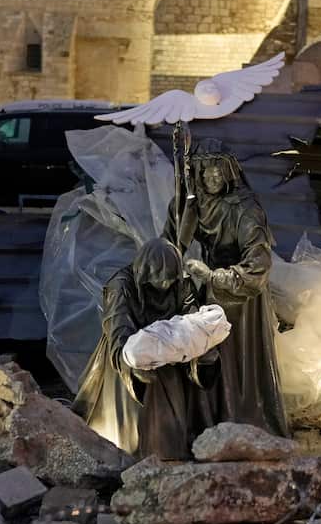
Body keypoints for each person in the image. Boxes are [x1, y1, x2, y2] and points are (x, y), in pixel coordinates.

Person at [175, 141, 289, 438]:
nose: (210, 181)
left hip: (241, 297)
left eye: (216, 174)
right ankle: (209, 423)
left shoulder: (245, 209)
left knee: (236, 359)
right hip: (210, 290)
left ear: (228, 174)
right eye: (204, 175)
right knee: (208, 356)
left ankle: (240, 420)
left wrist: (213, 276)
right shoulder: (197, 202)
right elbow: (176, 241)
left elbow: (259, 266)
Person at [73, 238, 216, 459]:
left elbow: (192, 317)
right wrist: (131, 367)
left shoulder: (182, 282)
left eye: (170, 281)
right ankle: (134, 453)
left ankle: (178, 448)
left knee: (177, 414)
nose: (166, 286)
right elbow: (118, 330)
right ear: (146, 275)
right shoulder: (121, 286)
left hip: (169, 354)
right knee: (133, 423)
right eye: (160, 281)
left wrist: (202, 346)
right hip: (128, 357)